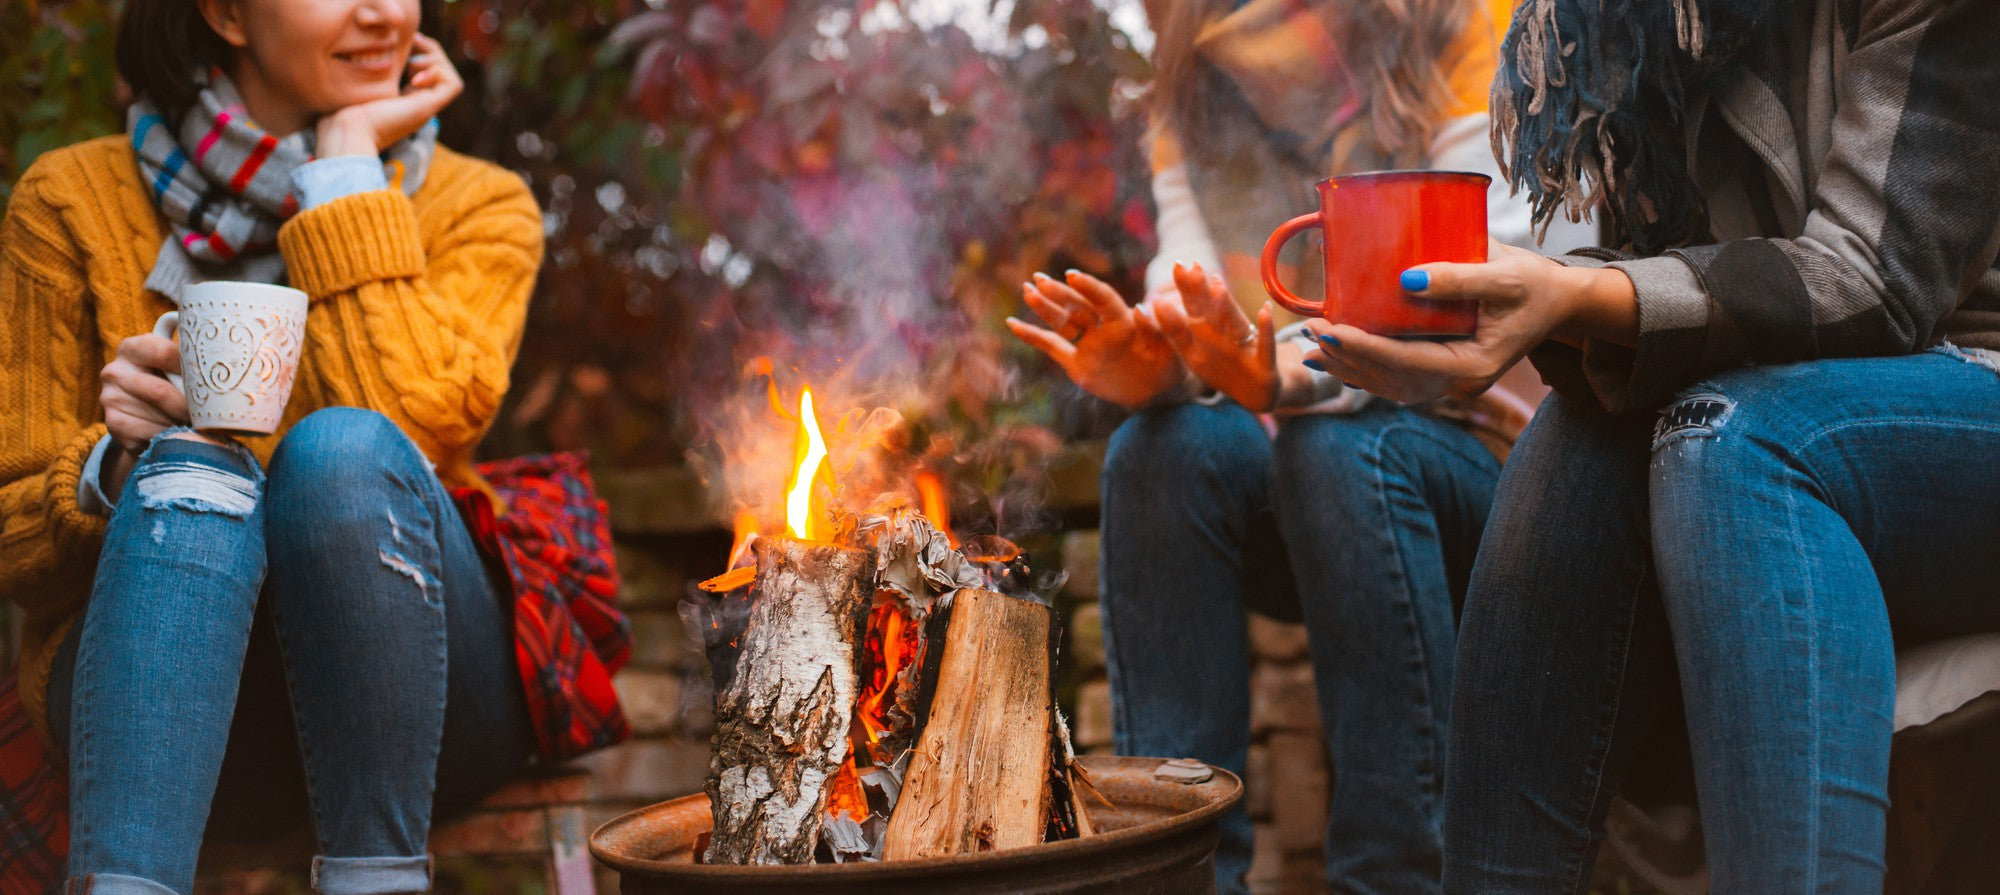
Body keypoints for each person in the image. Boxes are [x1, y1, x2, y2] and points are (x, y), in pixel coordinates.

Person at [1301, 0, 2000, 890]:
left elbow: (1872, 278)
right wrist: (1526, 315)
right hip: (1781, 401)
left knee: (1736, 442)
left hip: (1969, 385)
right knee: (1586, 433)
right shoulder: (1641, 30)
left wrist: (1572, 296)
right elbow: (1682, 288)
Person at [1008, 1, 1589, 891]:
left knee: (1338, 449)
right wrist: (1158, 369)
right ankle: (1176, 872)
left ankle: (1399, 877)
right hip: (1313, 480)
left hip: (1500, 474)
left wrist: (1284, 379)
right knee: (1160, 447)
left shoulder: (1473, 28)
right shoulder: (1193, 78)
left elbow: (1486, 292)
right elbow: (1198, 306)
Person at [0, 0, 558, 891]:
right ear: (224, 13)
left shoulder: (481, 207)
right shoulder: (70, 202)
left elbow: (405, 435)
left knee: (339, 452)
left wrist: (342, 175)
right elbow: (12, 549)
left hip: (421, 700)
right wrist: (111, 466)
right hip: (177, 699)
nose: (383, 12)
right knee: (188, 470)